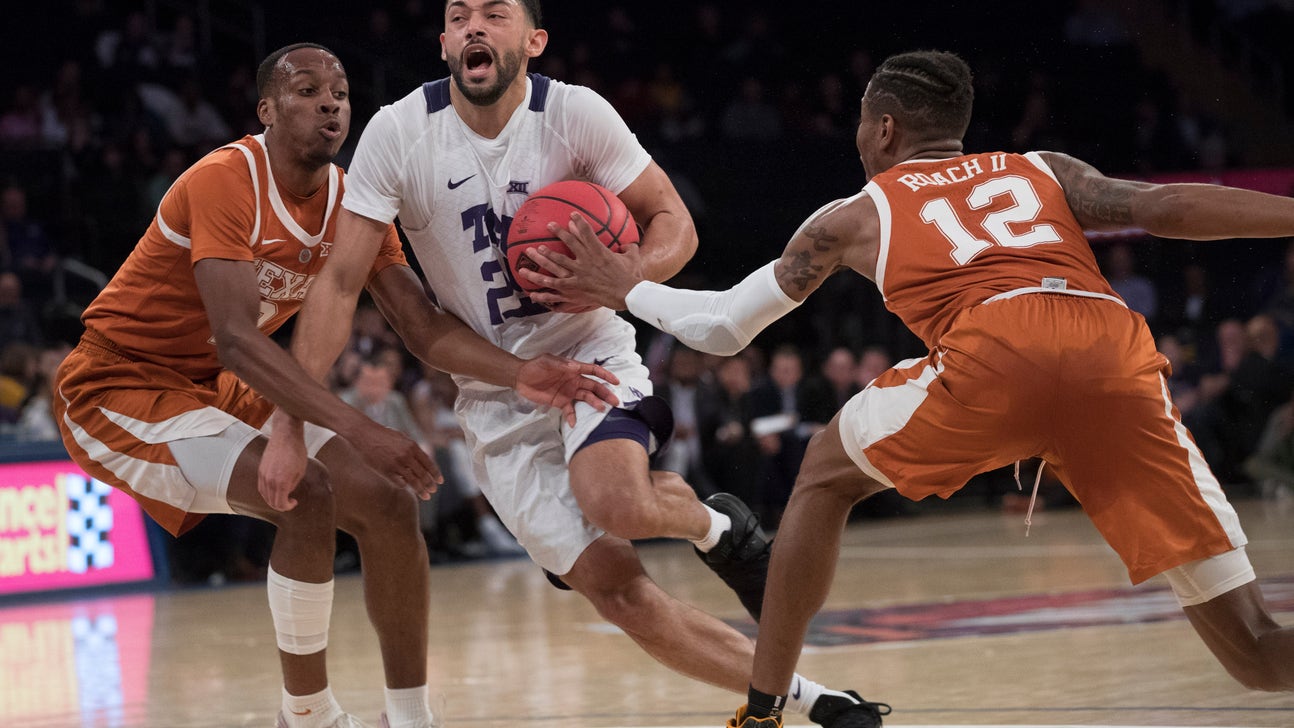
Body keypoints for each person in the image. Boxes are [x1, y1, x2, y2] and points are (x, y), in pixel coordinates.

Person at [521, 49, 1294, 727]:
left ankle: (763, 709)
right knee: (1257, 652)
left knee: (824, 475)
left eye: (862, 122)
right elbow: (1168, 207)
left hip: (997, 348)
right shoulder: (1044, 169)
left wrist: (628, 287)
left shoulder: (855, 215)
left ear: (884, 130)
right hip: (1110, 349)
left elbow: (723, 327)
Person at [268, 4, 885, 726]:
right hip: (495, 396)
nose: (474, 27)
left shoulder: (576, 114)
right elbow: (347, 289)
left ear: (533, 41)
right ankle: (814, 699)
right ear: (441, 44)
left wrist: (624, 280)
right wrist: (289, 420)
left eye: (494, 14)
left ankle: (712, 527)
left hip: (590, 355)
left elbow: (674, 224)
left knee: (615, 500)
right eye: (458, 16)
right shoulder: (399, 133)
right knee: (620, 595)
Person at [53, 43, 620, 728]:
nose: (330, 102)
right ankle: (310, 715)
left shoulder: (354, 202)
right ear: (266, 110)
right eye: (307, 90)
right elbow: (235, 336)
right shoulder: (224, 179)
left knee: (386, 502)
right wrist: (360, 427)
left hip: (221, 384)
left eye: (341, 92)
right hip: (120, 384)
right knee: (306, 492)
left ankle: (410, 716)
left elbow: (418, 323)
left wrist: (523, 372)